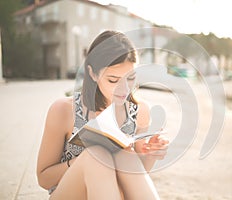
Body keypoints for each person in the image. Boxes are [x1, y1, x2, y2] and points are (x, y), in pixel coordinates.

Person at [36, 30, 169, 200]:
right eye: (113, 80)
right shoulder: (63, 110)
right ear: (92, 73)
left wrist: (150, 154)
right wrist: (84, 158)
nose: (124, 89)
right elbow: (44, 179)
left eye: (131, 78)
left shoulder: (139, 111)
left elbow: (135, 180)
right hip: (69, 194)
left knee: (125, 155)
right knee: (97, 156)